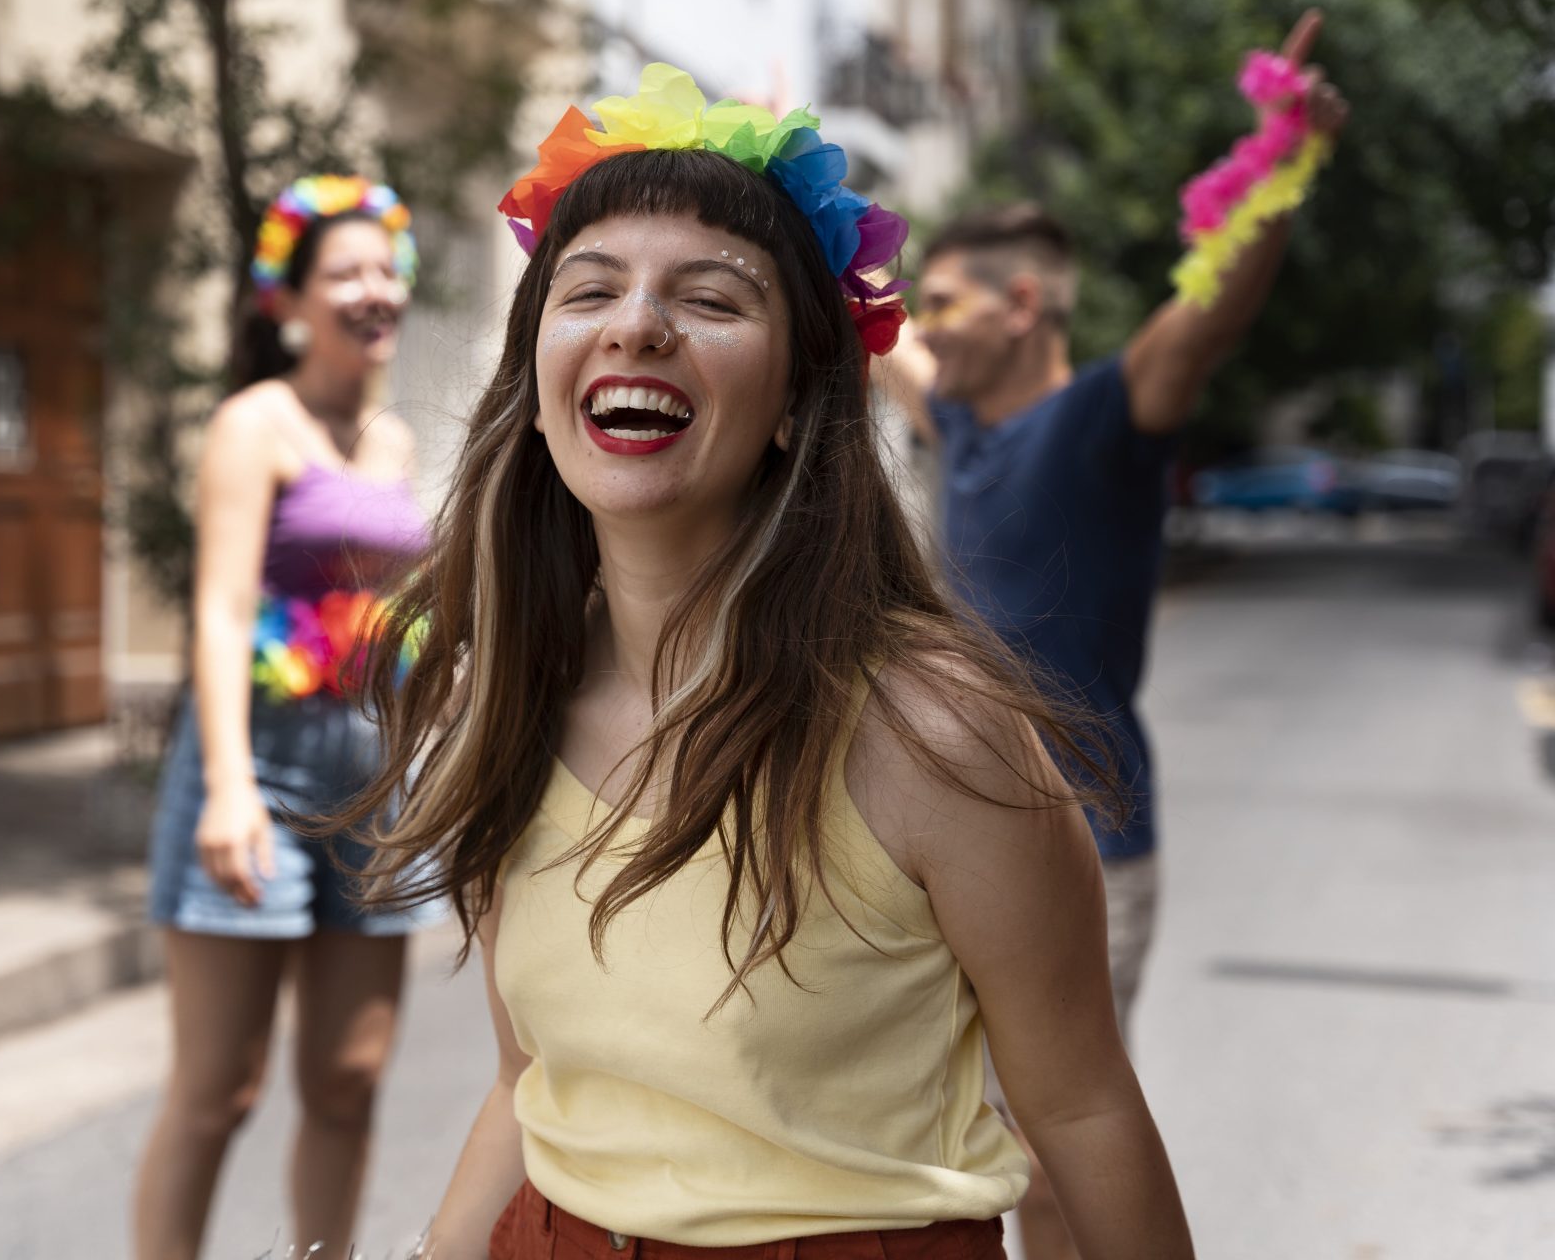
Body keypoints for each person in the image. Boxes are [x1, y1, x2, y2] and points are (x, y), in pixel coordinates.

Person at [322, 65, 1194, 1259]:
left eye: (713, 297)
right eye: (590, 290)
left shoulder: (936, 733)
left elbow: (1087, 1111)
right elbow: (531, 1087)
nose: (637, 323)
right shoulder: (507, 697)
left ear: (796, 400)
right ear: (533, 385)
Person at [881, 12, 1350, 1260]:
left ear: (1024, 304)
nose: (921, 329)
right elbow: (864, 320)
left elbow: (1207, 316)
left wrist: (1283, 156)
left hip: (1093, 837)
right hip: (956, 841)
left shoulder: (1102, 415)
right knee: (982, 1151)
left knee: (1048, 1151)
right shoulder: (966, 433)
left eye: (945, 305)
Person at [133, 175, 439, 1260]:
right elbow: (219, 612)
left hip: (374, 774)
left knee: (349, 1080)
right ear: (290, 301)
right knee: (221, 1086)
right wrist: (224, 785)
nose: (373, 288)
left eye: (383, 267)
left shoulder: (397, 442)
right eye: (344, 271)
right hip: (259, 764)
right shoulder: (254, 424)